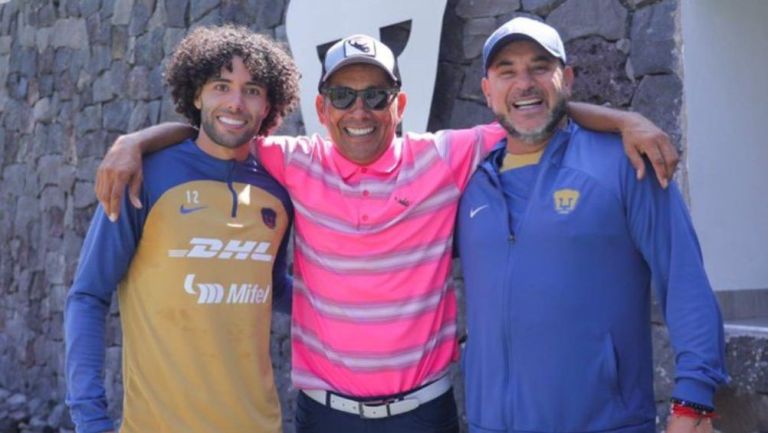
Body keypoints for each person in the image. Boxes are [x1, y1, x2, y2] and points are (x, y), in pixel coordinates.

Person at [92, 32, 679, 433]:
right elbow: (220, 129)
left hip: (426, 414)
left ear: (399, 103)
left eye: (375, 96)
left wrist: (625, 119)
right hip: (325, 416)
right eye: (343, 96)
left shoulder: (447, 154)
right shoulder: (290, 161)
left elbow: (527, 109)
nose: (360, 110)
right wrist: (134, 142)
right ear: (322, 110)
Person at [456, 17, 727, 433]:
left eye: (540, 68)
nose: (524, 83)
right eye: (507, 71)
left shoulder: (625, 163)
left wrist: (693, 400)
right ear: (487, 90)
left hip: (604, 423)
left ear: (566, 79)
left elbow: (684, 279)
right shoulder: (467, 183)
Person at [64, 25, 299, 433]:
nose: (236, 103)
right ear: (196, 94)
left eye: (253, 90)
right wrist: (90, 419)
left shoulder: (278, 192)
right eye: (221, 86)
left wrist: (357, 309)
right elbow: (87, 295)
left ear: (268, 106)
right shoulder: (143, 175)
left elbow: (274, 288)